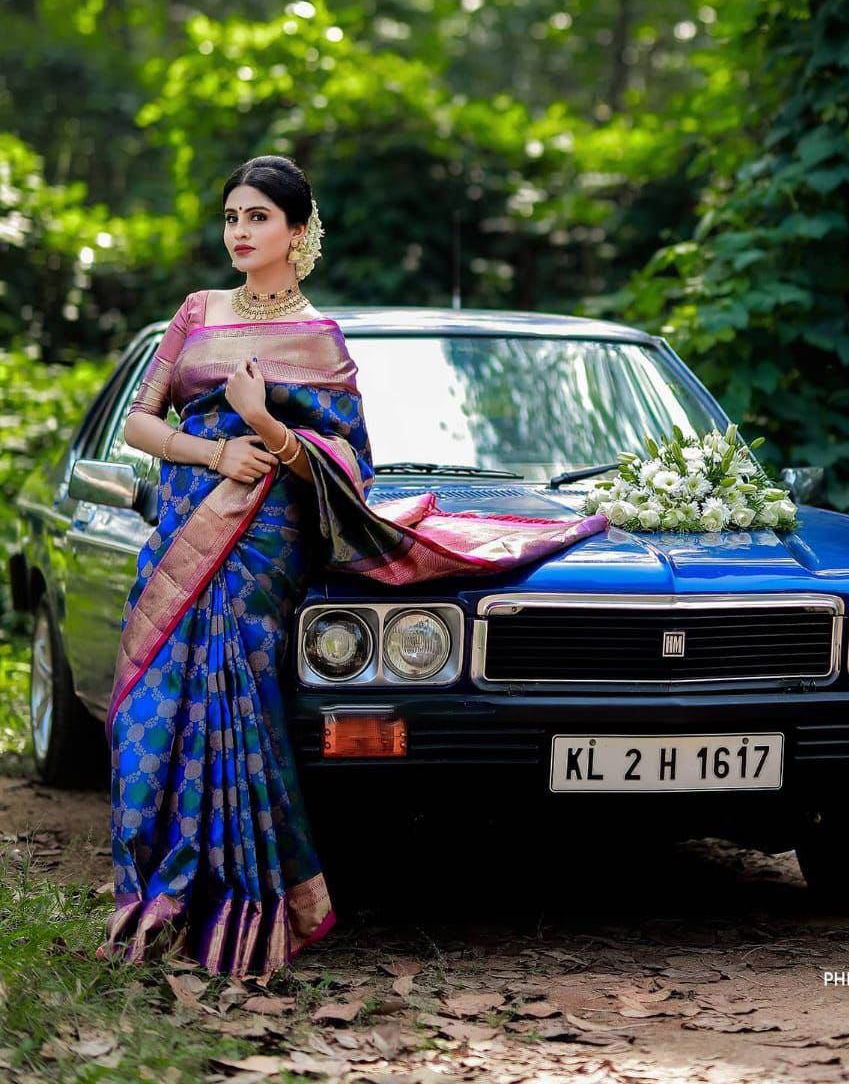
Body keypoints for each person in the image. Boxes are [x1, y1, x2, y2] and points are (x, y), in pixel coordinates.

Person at [97, 155, 608, 977]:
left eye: (258, 217)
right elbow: (138, 427)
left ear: (297, 232)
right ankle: (152, 888)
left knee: (241, 711)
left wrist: (266, 427)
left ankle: (235, 900)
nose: (239, 232)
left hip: (261, 543)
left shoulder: (320, 342)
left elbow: (346, 468)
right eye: (231, 217)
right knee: (152, 703)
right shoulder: (195, 313)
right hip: (182, 530)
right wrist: (214, 449)